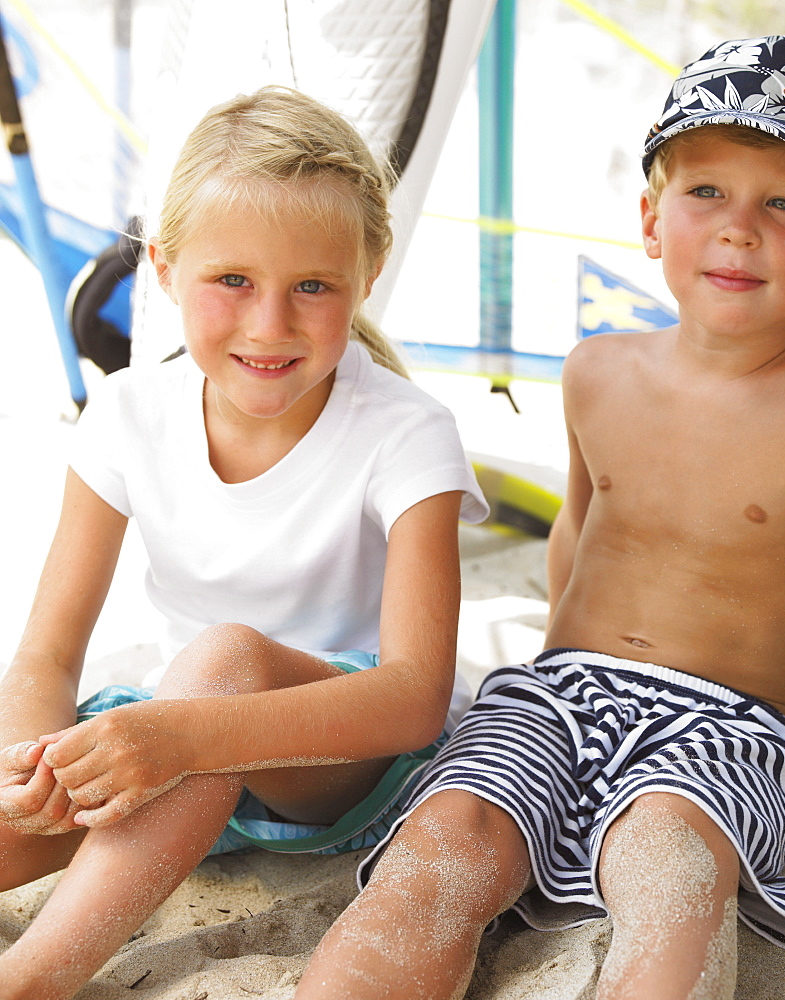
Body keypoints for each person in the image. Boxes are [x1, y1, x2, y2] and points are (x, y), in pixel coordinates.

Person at [292, 36, 785, 1000]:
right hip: (557, 691)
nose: (738, 230)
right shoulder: (598, 370)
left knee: (672, 865)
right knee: (444, 848)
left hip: (725, 727)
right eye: (706, 192)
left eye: (784, 205)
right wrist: (548, 681)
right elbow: (579, 542)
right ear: (651, 221)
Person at [0, 85, 487, 998]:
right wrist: (27, 764)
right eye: (233, 281)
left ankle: (28, 980)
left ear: (367, 274)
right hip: (172, 737)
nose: (271, 325)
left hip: (344, 761)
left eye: (313, 286)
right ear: (163, 267)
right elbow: (47, 651)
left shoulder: (406, 431)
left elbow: (416, 698)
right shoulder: (125, 414)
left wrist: (183, 735)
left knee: (222, 658)